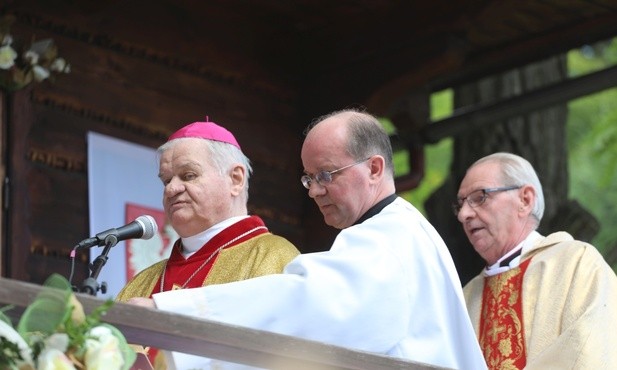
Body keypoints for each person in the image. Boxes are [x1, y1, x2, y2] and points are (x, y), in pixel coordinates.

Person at [129, 109, 487, 370]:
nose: (315, 191)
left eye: (326, 174)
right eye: (308, 178)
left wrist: (170, 314)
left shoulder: (389, 240)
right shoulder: (399, 231)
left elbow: (309, 304)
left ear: (374, 169)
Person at [116, 119, 300, 369]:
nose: (172, 189)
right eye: (166, 180)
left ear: (235, 179)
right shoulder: (143, 281)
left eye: (188, 175)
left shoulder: (276, 257)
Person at [454, 152, 617, 369]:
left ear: (525, 200)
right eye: (460, 204)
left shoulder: (577, 265)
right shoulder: (465, 299)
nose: (463, 214)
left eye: (479, 197)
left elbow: (589, 354)